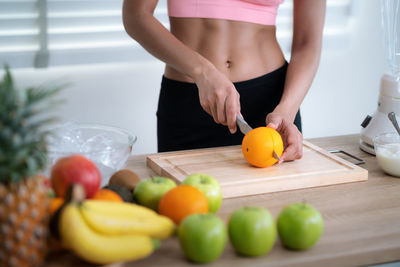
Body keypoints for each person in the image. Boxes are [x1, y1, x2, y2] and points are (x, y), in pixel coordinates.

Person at [122, 0, 326, 162]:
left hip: (272, 108)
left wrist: (287, 110)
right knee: (184, 207)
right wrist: (201, 71)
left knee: (279, 209)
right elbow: (136, 15)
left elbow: (307, 42)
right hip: (190, 101)